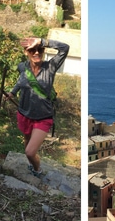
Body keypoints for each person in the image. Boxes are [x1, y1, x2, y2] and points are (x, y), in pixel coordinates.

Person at [5, 37, 69, 177]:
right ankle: (30, 163)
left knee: (29, 151)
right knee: (27, 143)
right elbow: (21, 81)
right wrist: (13, 92)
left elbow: (65, 48)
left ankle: (37, 170)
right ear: (26, 52)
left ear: (43, 51)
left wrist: (42, 41)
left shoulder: (50, 67)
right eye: (31, 50)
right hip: (24, 114)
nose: (36, 53)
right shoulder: (22, 67)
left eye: (39, 50)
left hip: (43, 117)